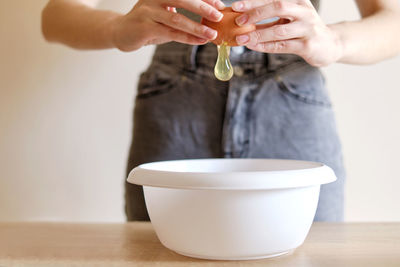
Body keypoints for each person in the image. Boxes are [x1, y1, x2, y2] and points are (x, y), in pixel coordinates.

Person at [42, 0, 400, 222]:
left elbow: (393, 19)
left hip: (291, 106)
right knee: (158, 257)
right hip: (175, 105)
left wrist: (334, 41)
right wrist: (118, 27)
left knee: (307, 255)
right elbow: (56, 14)